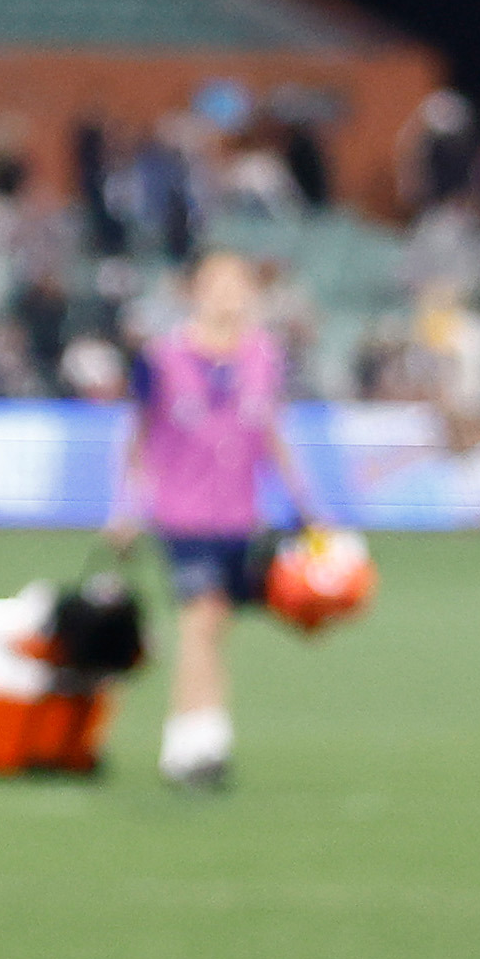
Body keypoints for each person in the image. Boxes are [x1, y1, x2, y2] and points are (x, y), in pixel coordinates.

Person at [104, 250, 325, 790]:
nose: (230, 295)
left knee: (217, 624)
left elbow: (271, 431)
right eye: (218, 284)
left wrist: (305, 503)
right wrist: (127, 506)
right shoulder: (162, 358)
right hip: (183, 514)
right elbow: (137, 436)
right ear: (195, 292)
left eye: (239, 285)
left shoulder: (263, 357)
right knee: (200, 620)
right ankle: (187, 744)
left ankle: (208, 736)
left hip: (239, 515)